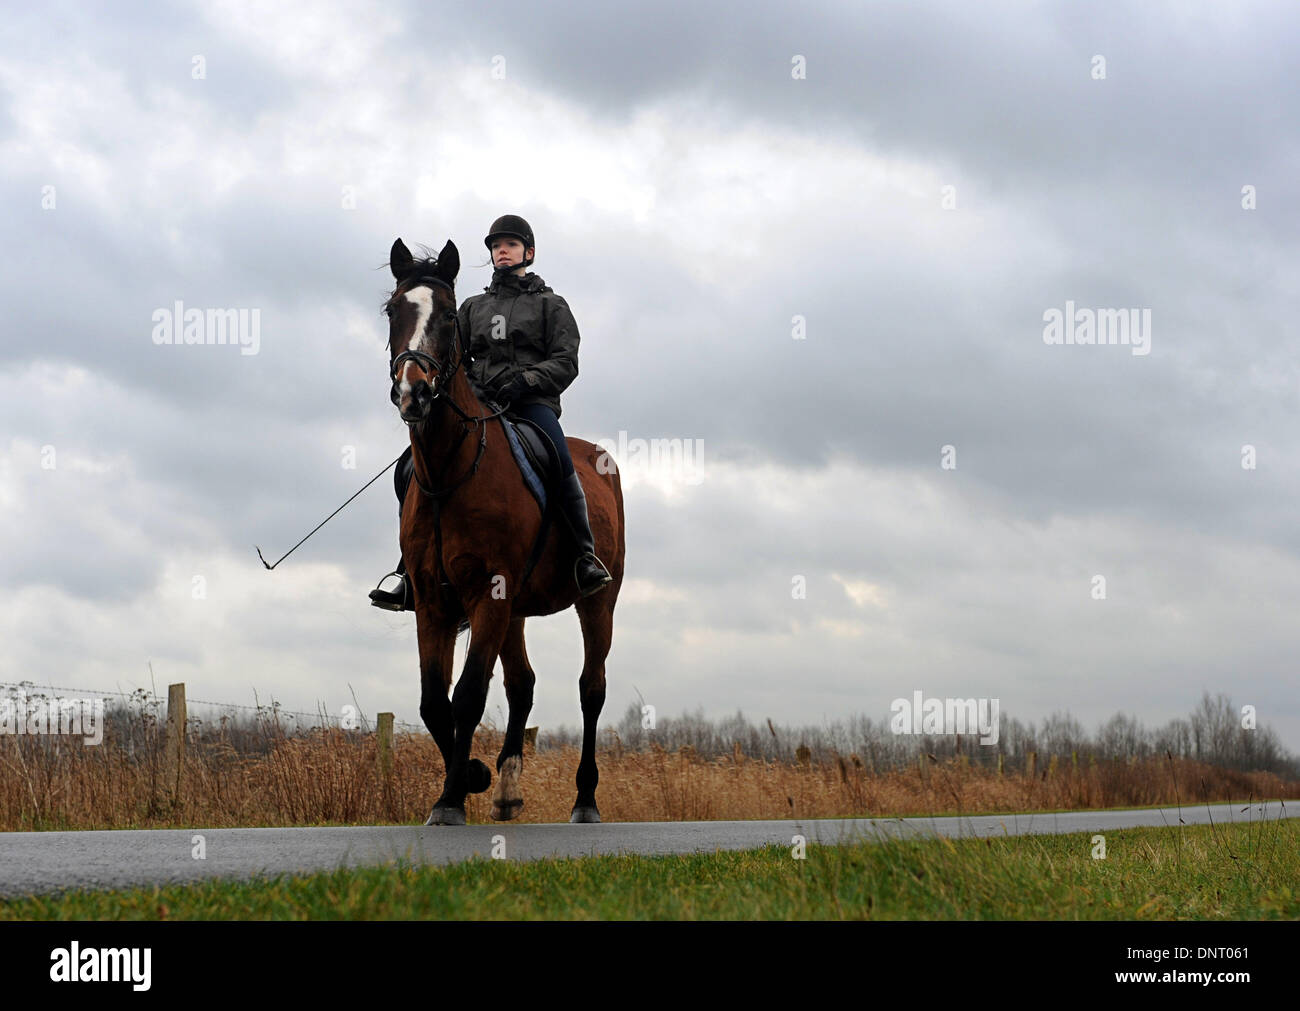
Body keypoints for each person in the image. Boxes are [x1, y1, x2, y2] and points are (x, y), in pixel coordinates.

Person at [370, 214, 613, 610]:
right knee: (410, 466)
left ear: (528, 253)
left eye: (511, 245)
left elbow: (566, 361)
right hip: (480, 406)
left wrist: (526, 383)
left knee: (556, 457)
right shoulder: (471, 307)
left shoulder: (551, 305)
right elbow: (451, 358)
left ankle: (584, 556)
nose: (502, 250)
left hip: (531, 406)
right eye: (497, 245)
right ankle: (408, 570)